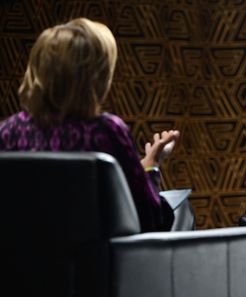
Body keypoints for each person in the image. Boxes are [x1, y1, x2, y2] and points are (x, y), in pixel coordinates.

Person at [0, 17, 179, 232]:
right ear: (97, 77)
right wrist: (151, 167)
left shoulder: (7, 132)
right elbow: (148, 219)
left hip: (22, 263)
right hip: (97, 264)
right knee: (180, 211)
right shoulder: (106, 131)